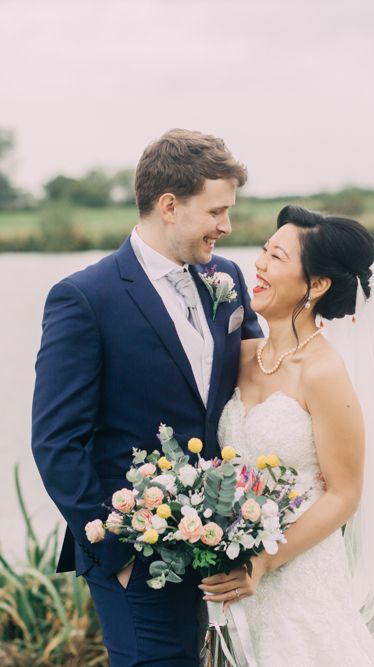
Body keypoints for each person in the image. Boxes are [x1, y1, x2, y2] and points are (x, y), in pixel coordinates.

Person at [31, 128, 262, 666]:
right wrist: (116, 550)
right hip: (136, 557)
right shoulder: (85, 298)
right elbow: (56, 441)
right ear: (168, 205)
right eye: (216, 211)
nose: (226, 227)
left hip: (223, 548)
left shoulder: (224, 278)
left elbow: (256, 378)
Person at [202, 205, 374, 666]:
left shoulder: (325, 372)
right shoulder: (242, 354)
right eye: (263, 252)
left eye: (276, 257)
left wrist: (264, 561)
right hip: (237, 586)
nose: (259, 264)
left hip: (300, 578)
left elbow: (344, 494)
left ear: (315, 285)